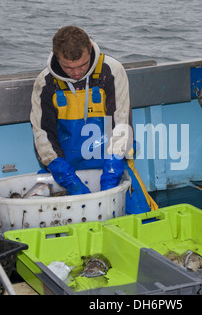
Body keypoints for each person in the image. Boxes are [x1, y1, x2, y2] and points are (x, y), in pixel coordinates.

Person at [30, 26, 158, 214]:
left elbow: (121, 124)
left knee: (143, 218)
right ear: (55, 55)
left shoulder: (111, 71)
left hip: (113, 163)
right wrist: (69, 179)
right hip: (66, 169)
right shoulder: (45, 83)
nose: (76, 73)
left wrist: (111, 176)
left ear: (90, 48)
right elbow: (43, 136)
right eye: (68, 67)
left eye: (82, 65)